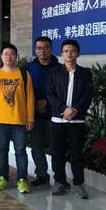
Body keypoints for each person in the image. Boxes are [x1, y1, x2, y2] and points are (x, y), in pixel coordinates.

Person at [46, 39, 93, 199]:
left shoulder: (85, 73)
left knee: (77, 154)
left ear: (78, 53)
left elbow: (88, 95)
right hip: (58, 120)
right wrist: (63, 109)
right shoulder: (54, 73)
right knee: (57, 153)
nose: (69, 54)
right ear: (61, 54)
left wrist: (75, 110)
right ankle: (59, 182)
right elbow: (50, 93)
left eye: (72, 51)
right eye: (66, 51)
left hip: (77, 121)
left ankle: (79, 184)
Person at [0, 44, 35, 194]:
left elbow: (30, 98)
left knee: (20, 151)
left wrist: (30, 118)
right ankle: (2, 177)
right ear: (1, 56)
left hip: (19, 120)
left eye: (12, 54)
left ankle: (22, 179)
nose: (8, 57)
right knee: (1, 150)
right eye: (6, 54)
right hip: (0, 121)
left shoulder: (24, 74)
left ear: (16, 56)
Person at [26, 36, 60, 187]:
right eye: (39, 48)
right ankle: (41, 175)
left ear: (51, 49)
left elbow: (62, 90)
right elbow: (24, 91)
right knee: (37, 148)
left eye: (46, 47)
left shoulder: (60, 68)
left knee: (56, 148)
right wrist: (35, 104)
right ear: (35, 50)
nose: (42, 50)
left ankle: (59, 177)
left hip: (54, 114)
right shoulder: (28, 68)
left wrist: (47, 101)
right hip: (34, 115)